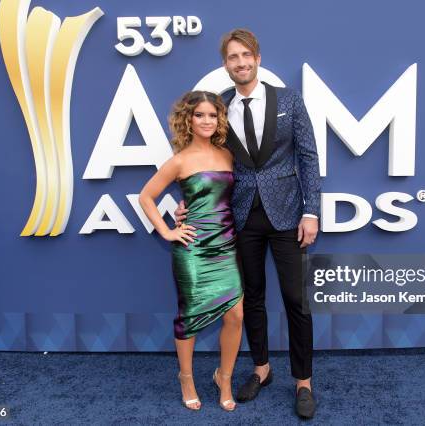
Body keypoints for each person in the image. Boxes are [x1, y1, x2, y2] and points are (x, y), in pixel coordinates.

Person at [175, 29, 321, 419]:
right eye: (232, 57)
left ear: (257, 57)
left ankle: (303, 381)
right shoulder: (218, 108)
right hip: (239, 218)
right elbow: (204, 158)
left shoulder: (289, 99)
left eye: (246, 55)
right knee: (251, 298)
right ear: (225, 64)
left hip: (288, 215)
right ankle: (261, 369)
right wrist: (189, 201)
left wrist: (312, 211)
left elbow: (308, 157)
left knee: (296, 299)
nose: (240, 63)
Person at [139, 91, 244, 412]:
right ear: (189, 119)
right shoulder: (180, 160)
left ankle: (223, 377)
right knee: (191, 316)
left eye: (213, 115)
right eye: (200, 115)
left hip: (226, 245)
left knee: (236, 314)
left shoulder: (228, 155)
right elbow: (146, 197)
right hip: (193, 248)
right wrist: (168, 229)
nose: (207, 121)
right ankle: (186, 377)